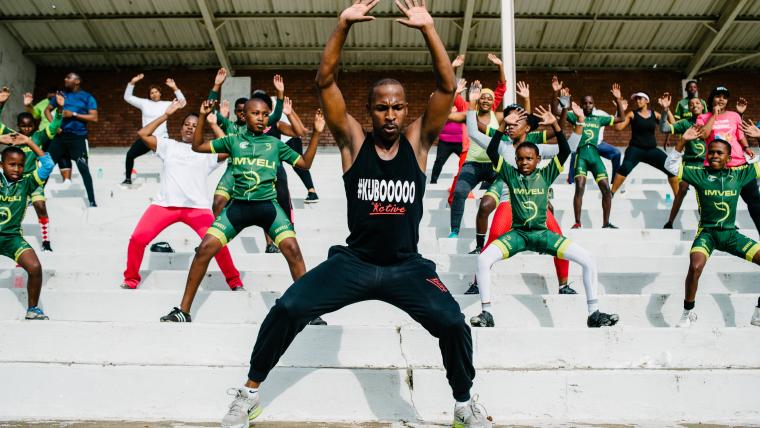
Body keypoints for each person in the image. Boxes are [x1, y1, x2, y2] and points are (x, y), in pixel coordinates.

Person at [220, 2, 492, 427]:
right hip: (355, 263)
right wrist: (342, 25)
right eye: (381, 107)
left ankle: (463, 404)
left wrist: (429, 30)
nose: (390, 114)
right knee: (288, 308)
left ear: (406, 110)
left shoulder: (419, 142)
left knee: (454, 323)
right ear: (370, 110)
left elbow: (445, 83)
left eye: (397, 107)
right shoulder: (352, 141)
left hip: (406, 266)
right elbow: (324, 80)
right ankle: (249, 393)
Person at [160, 98, 322, 324]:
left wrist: (316, 133)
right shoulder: (232, 140)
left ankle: (310, 312)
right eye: (255, 113)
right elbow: (198, 147)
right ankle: (183, 311)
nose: (261, 117)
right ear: (244, 116)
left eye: (265, 114)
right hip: (238, 208)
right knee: (204, 249)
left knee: (293, 250)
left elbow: (304, 164)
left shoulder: (274, 144)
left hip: (268, 208)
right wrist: (203, 115)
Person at [470, 104, 619, 329]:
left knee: (588, 259)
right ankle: (487, 313)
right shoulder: (510, 174)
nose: (524, 163)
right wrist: (503, 124)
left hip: (542, 235)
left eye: (529, 159)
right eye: (520, 159)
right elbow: (492, 151)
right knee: (483, 259)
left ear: (538, 159)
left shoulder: (546, 174)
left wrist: (556, 125)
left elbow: (566, 152)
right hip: (518, 235)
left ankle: (594, 313)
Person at [121, 100, 243, 290]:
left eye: (195, 126)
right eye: (187, 125)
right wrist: (166, 114)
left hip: (197, 209)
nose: (190, 128)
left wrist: (212, 123)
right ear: (181, 128)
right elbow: (143, 134)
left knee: (217, 243)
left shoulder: (207, 151)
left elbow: (230, 147)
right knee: (137, 239)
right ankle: (130, 279)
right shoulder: (169, 146)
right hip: (164, 205)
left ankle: (234, 281)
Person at [463, 100, 576, 296]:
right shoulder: (503, 145)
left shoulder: (537, 148)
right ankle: (477, 282)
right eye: (509, 123)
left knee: (559, 237)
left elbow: (568, 148)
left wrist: (568, 121)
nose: (511, 126)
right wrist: (474, 104)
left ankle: (563, 285)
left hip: (534, 202)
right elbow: (473, 132)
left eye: (516, 123)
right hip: (509, 199)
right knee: (495, 236)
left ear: (528, 128)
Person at [665, 131, 760, 328]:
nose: (714, 156)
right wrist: (682, 140)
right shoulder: (699, 174)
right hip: (707, 234)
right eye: (711, 153)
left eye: (719, 153)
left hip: (731, 235)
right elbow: (670, 165)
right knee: (695, 267)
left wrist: (758, 138)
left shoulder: (739, 174)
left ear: (729, 158)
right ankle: (687, 312)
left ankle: (758, 313)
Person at [447, 54, 507, 238]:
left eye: (490, 98)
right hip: (472, 163)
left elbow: (502, 88)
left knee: (509, 190)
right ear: (478, 100)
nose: (487, 100)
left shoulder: (498, 117)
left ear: (493, 102)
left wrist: (500, 65)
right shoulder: (469, 114)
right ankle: (455, 230)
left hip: (494, 166)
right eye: (483, 97)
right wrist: (456, 92)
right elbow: (447, 113)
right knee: (459, 193)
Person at [0, 133, 55, 320]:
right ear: (2, 165)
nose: (17, 168)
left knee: (35, 267)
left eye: (21, 165)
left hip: (12, 238)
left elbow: (47, 165)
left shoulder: (27, 183)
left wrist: (29, 142)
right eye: (11, 164)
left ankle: (33, 309)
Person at [695, 86, 760, 236]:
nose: (722, 99)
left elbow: (740, 134)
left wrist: (746, 148)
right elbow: (704, 135)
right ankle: (716, 237)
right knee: (719, 205)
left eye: (725, 96)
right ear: (712, 98)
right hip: (718, 169)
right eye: (718, 96)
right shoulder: (703, 117)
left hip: (740, 166)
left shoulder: (734, 116)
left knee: (755, 202)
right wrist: (714, 116)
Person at [10, 93, 65, 252]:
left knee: (40, 206)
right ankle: (16, 244)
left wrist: (60, 109)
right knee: (15, 214)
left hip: (33, 179)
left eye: (30, 126)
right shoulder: (12, 138)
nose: (26, 129)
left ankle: (46, 241)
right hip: (16, 182)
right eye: (23, 126)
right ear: (18, 125)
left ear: (34, 126)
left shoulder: (38, 137)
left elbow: (54, 126)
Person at [609, 84, 679, 197]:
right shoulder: (632, 114)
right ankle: (610, 194)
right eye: (636, 99)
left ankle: (678, 197)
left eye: (640, 98)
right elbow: (618, 128)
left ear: (647, 100)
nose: (637, 100)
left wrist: (667, 108)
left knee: (671, 168)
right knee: (625, 168)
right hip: (635, 149)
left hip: (651, 150)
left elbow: (672, 125)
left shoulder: (655, 114)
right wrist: (619, 108)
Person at [564, 92, 619, 229]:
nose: (588, 105)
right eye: (585, 103)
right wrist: (564, 101)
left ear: (593, 105)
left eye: (590, 103)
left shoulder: (599, 119)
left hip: (595, 156)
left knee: (606, 189)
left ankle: (606, 223)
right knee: (580, 187)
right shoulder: (576, 117)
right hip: (581, 155)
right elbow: (557, 112)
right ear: (581, 105)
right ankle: (577, 222)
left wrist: (618, 100)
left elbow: (621, 118)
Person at [121, 73, 186, 185]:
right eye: (151, 92)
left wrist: (174, 87)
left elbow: (183, 103)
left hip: (161, 138)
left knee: (169, 160)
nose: (154, 94)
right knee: (130, 155)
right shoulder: (144, 103)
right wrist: (132, 82)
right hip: (147, 138)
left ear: (160, 93)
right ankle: (127, 179)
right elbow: (127, 97)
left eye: (156, 92)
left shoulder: (166, 104)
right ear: (149, 95)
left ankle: (176, 180)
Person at [47, 72, 98, 206]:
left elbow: (94, 117)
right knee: (46, 166)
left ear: (77, 81)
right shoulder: (61, 94)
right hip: (60, 137)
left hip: (78, 138)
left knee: (83, 168)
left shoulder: (87, 97)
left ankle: (92, 201)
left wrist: (73, 114)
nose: (65, 79)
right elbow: (47, 110)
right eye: (65, 77)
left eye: (69, 77)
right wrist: (54, 125)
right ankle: (33, 198)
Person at [659, 94, 706, 229]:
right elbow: (664, 128)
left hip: (706, 165)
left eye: (697, 103)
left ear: (702, 106)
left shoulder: (710, 121)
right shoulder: (685, 123)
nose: (695, 105)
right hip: (690, 164)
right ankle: (670, 222)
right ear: (689, 108)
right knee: (682, 190)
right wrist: (665, 111)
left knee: (704, 195)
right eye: (691, 104)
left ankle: (708, 225)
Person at [430, 56, 466, 184]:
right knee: (439, 161)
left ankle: (465, 181)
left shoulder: (461, 104)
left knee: (465, 162)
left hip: (459, 141)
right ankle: (433, 181)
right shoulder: (443, 105)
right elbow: (446, 84)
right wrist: (452, 66)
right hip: (445, 141)